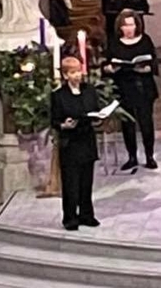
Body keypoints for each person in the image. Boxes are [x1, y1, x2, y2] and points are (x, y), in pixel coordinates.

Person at [102, 9, 159, 171]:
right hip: (123, 86)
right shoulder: (114, 42)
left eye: (131, 25)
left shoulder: (145, 40)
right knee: (127, 123)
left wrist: (147, 68)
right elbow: (106, 64)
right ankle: (132, 156)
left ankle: (149, 156)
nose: (128, 29)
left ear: (137, 25)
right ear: (120, 27)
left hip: (143, 86)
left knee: (146, 122)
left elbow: (153, 62)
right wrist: (109, 69)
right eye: (125, 26)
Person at [51, 57, 102, 230]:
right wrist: (63, 125)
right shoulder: (59, 95)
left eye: (79, 71)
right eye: (73, 72)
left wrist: (98, 120)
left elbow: (94, 111)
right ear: (65, 75)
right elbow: (54, 120)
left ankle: (87, 215)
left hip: (87, 140)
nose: (77, 75)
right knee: (71, 183)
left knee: (86, 182)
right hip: (70, 144)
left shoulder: (89, 90)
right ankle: (70, 218)